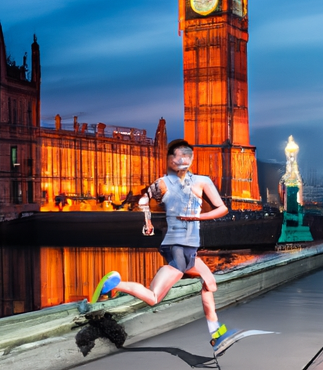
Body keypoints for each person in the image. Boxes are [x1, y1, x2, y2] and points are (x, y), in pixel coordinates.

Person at [93, 139, 230, 347]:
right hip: (177, 247)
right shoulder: (163, 183)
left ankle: (216, 333)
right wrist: (147, 221)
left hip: (189, 249)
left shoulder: (202, 182)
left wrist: (197, 218)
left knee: (209, 283)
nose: (181, 159)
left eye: (186, 155)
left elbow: (222, 208)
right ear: (171, 160)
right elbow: (143, 199)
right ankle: (113, 284)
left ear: (191, 158)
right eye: (177, 156)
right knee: (154, 297)